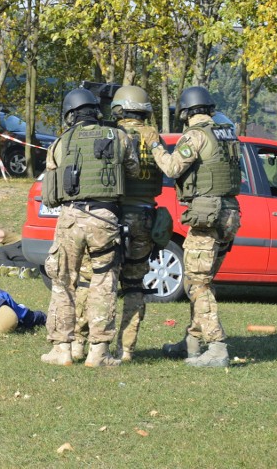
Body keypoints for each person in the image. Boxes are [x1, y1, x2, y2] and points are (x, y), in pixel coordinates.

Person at [142, 85, 242, 368]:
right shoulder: (226, 133)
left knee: (198, 284)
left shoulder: (196, 135)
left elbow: (173, 168)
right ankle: (192, 342)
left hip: (207, 215)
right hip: (229, 214)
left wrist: (155, 145)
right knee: (198, 281)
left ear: (185, 112)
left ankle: (217, 347)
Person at [40, 87, 139, 367]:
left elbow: (51, 187)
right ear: (96, 110)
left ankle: (62, 349)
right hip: (105, 217)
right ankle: (99, 352)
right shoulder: (118, 136)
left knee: (63, 283)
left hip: (70, 219)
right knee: (103, 283)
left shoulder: (60, 143)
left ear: (70, 115)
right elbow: (131, 170)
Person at [109, 85, 165, 362]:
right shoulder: (155, 138)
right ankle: (127, 349)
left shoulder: (113, 135)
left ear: (118, 109)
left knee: (101, 282)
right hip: (144, 217)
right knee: (134, 285)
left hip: (112, 216)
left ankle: (91, 343)